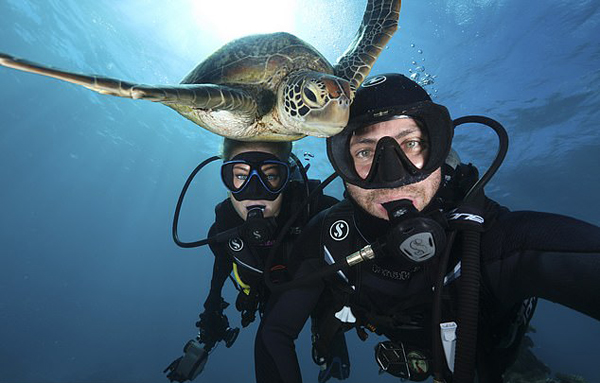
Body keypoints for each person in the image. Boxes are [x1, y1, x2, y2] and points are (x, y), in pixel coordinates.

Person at [255, 73, 600, 383]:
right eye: (364, 152)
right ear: (342, 164)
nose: (391, 176)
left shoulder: (490, 239)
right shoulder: (331, 241)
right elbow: (275, 334)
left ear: (438, 148)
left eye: (412, 144)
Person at [165, 138, 341, 382]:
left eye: (270, 176)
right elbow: (220, 273)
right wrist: (211, 317)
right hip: (263, 293)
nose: (254, 192)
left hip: (319, 292)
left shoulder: (318, 211)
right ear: (227, 182)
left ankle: (326, 336)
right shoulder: (223, 233)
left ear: (287, 176)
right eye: (239, 175)